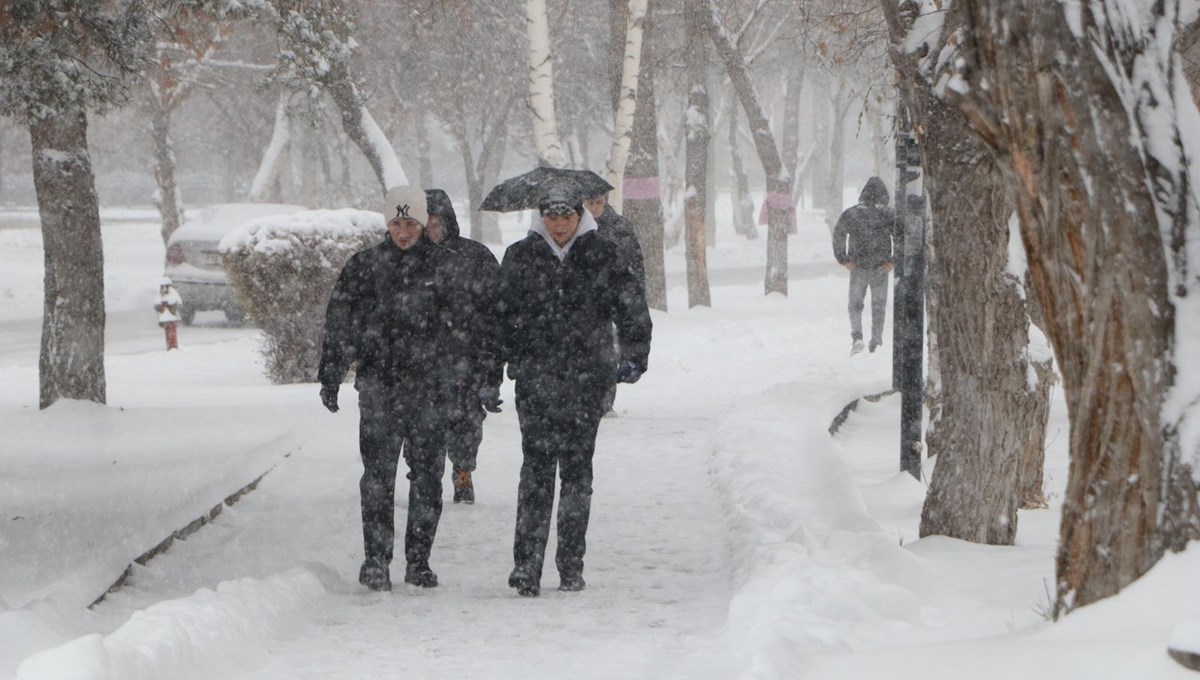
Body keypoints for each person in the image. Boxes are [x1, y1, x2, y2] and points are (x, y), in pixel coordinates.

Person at [318, 185, 491, 592]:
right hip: (380, 386)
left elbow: (469, 328)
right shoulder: (363, 267)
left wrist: (476, 376)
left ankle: (419, 560)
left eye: (410, 222)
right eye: (396, 222)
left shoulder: (446, 268)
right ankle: (376, 560)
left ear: (423, 223)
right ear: (387, 223)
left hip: (433, 389)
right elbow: (340, 324)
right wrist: (331, 373)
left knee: (427, 475)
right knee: (377, 476)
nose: (403, 231)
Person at [497, 178, 652, 597]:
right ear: (540, 217)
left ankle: (570, 563)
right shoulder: (520, 256)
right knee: (536, 472)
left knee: (577, 475)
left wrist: (635, 352)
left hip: (588, 380)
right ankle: (526, 566)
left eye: (566, 215)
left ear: (579, 215)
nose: (559, 224)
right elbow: (498, 316)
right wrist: (495, 366)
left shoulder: (603, 253)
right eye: (551, 215)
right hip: (536, 379)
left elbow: (631, 304)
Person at [424, 188, 503, 504]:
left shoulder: (475, 257)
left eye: (435, 223)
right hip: (422, 363)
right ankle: (426, 477)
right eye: (423, 223)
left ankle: (462, 471)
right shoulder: (404, 261)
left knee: (466, 424)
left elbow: (497, 316)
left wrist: (491, 373)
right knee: (424, 428)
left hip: (467, 360)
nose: (429, 230)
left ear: (447, 222)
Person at [582, 191, 647, 416]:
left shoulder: (619, 227)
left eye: (597, 202)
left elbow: (634, 263)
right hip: (583, 300)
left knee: (609, 350)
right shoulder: (573, 228)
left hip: (613, 298)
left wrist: (635, 296)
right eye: (589, 202)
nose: (593, 207)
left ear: (605, 202)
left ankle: (604, 401)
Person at [832, 176, 895, 354]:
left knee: (855, 304)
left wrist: (843, 258)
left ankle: (857, 335)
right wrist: (894, 260)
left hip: (857, 266)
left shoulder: (852, 213)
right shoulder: (887, 214)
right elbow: (901, 237)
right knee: (879, 305)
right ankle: (876, 340)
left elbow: (839, 235)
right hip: (881, 266)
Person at [155, 276, 182, 350]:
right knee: (170, 336)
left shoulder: (173, 294)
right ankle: (171, 348)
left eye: (166, 286)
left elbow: (178, 303)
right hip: (167, 318)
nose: (164, 288)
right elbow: (157, 305)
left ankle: (172, 348)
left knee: (171, 337)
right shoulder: (161, 295)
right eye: (163, 287)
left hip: (171, 318)